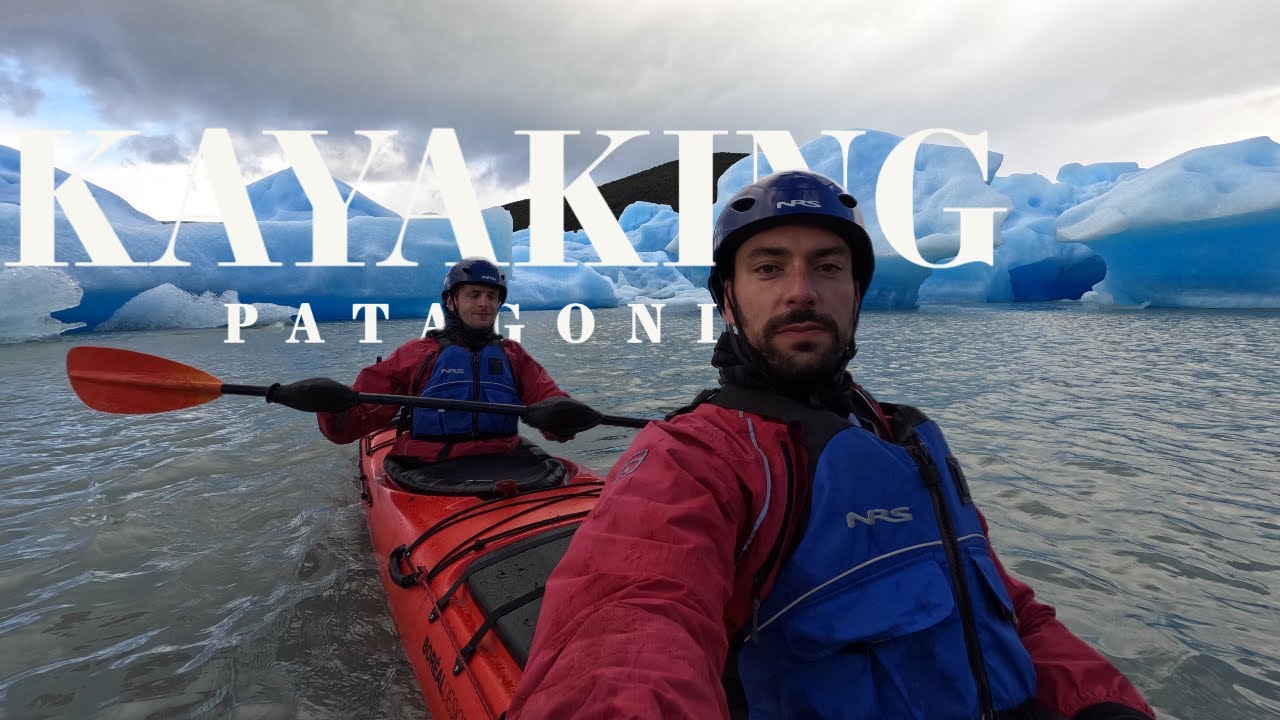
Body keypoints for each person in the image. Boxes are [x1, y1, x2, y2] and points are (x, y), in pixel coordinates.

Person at [508, 171, 1155, 719]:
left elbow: (1003, 606)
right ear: (729, 301)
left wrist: (1101, 702)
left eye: (827, 267)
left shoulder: (906, 438)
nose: (800, 291)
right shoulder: (693, 460)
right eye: (768, 268)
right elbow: (626, 628)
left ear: (855, 294)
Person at [309, 257, 574, 460]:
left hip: (501, 458)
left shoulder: (513, 355)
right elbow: (352, 424)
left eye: (492, 297)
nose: (485, 303)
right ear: (451, 301)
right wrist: (334, 407)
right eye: (474, 295)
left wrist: (563, 416)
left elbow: (547, 397)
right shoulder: (418, 353)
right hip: (430, 465)